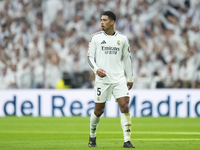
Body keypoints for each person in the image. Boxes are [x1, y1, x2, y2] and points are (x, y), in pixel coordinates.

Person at [87, 11, 134, 148]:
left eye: (105, 20)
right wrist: (96, 70)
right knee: (99, 111)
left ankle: (127, 140)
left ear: (112, 22)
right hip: (103, 80)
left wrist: (130, 78)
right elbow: (89, 57)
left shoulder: (122, 38)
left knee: (124, 105)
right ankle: (92, 135)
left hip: (119, 78)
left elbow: (127, 58)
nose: (102, 22)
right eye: (101, 20)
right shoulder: (95, 38)